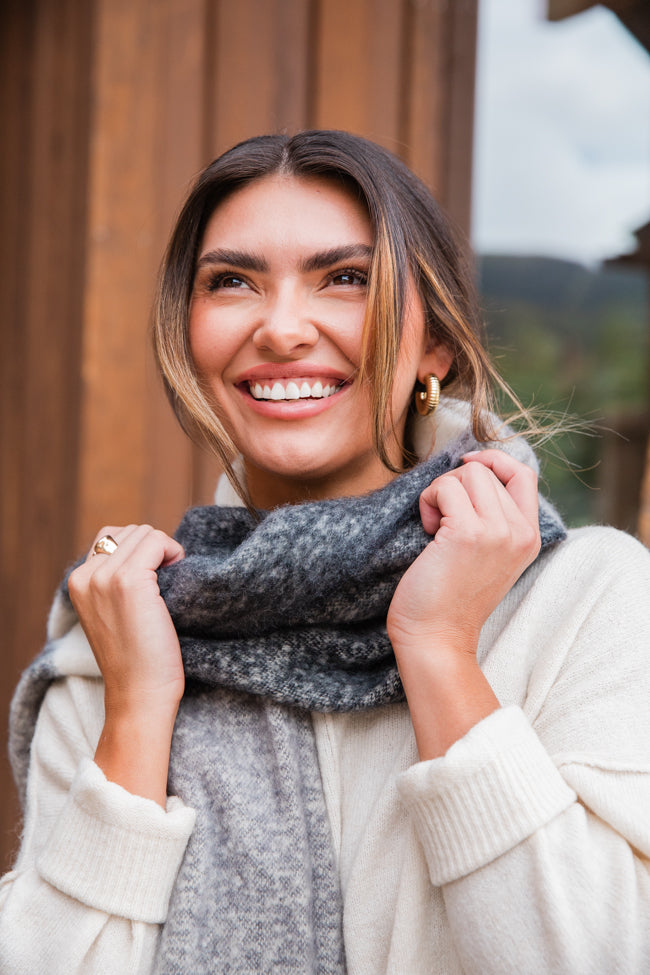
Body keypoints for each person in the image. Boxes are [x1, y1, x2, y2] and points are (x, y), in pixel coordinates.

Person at [1, 130, 649, 975]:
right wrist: (136, 714)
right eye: (231, 281)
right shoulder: (121, 639)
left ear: (435, 345)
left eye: (345, 278)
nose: (280, 328)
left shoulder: (587, 601)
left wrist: (442, 652)